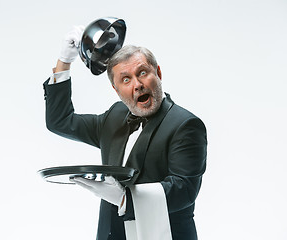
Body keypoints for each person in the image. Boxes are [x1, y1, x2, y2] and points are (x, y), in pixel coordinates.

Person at [43, 26, 207, 240]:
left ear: (157, 73)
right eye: (126, 79)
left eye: (142, 73)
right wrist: (64, 62)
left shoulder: (186, 124)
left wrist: (124, 199)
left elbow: (183, 189)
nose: (137, 85)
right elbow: (61, 121)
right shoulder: (115, 116)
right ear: (116, 89)